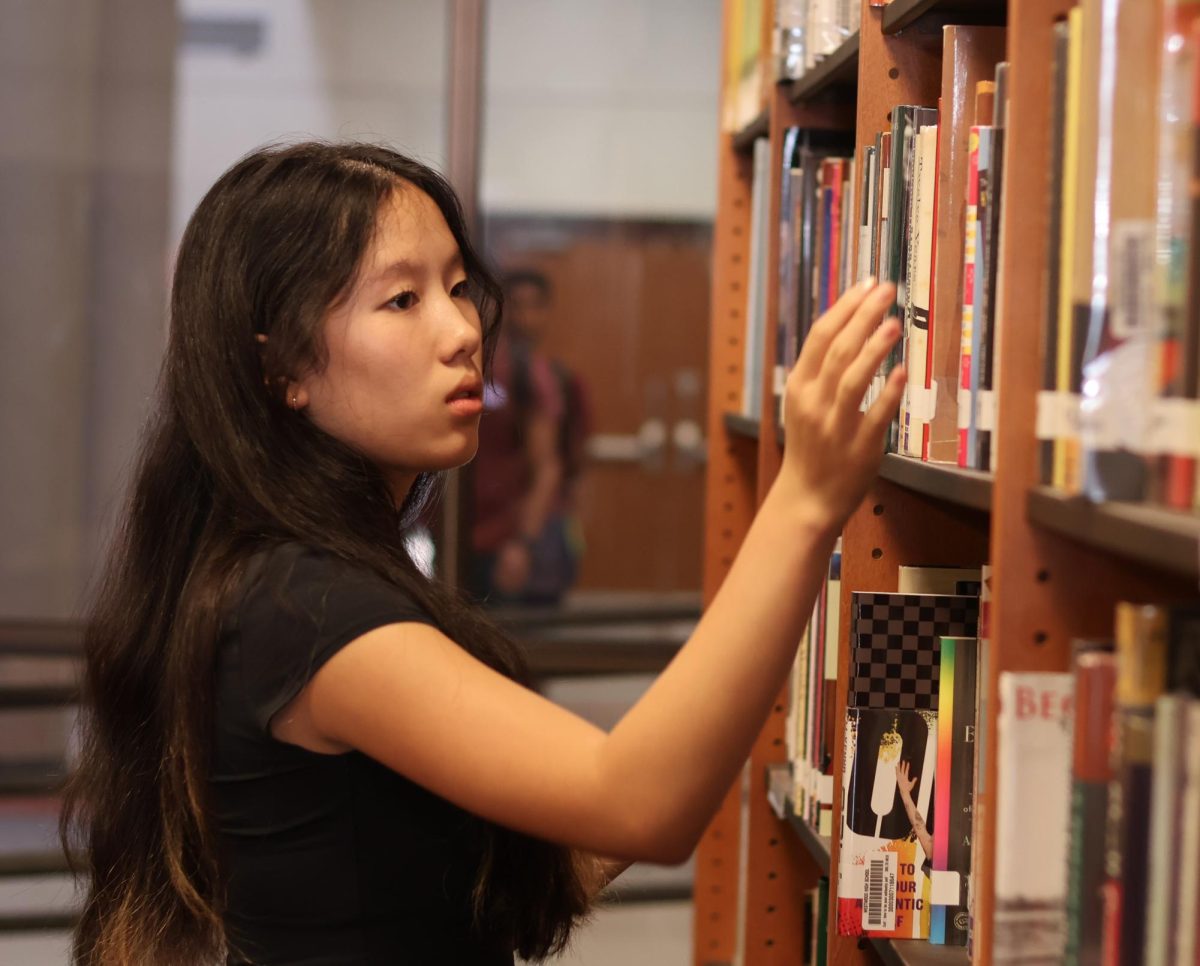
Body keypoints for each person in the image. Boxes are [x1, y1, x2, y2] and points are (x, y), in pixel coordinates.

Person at [60, 141, 905, 965]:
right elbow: (638, 804)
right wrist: (804, 501)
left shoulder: (288, 575)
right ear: (283, 366)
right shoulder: (306, 608)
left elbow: (505, 868)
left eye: (459, 288)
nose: (463, 331)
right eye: (402, 300)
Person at [470, 269, 590, 604]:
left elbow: (555, 465)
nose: (525, 317)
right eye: (517, 305)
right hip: (470, 535)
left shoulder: (538, 375)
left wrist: (523, 542)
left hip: (519, 536)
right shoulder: (479, 366)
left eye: (535, 306)